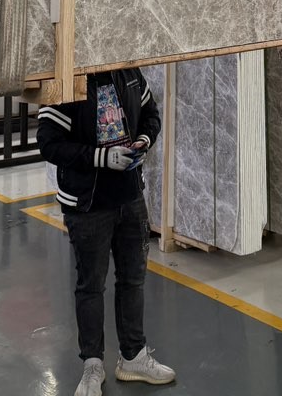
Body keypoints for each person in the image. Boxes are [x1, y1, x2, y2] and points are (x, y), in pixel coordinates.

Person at [37, 68, 175, 395]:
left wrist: (144, 140)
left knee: (133, 279)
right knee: (91, 285)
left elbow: (151, 113)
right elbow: (49, 143)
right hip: (88, 203)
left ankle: (133, 356)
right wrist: (100, 157)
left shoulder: (127, 70)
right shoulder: (68, 76)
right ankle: (92, 365)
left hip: (129, 195)